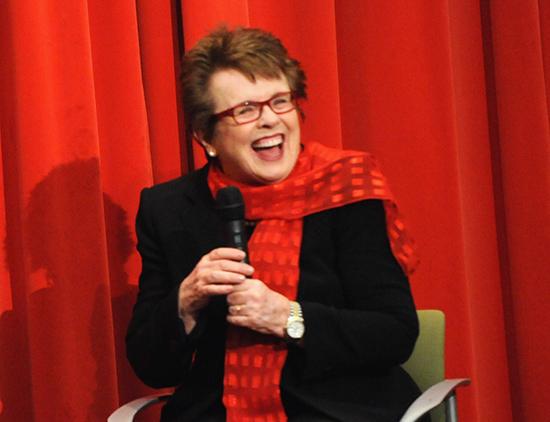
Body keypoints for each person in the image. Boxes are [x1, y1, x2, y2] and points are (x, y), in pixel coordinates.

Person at [126, 26, 423, 422]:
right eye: (246, 110)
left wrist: (288, 317)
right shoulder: (169, 209)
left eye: (280, 102)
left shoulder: (347, 190)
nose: (270, 121)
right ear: (206, 136)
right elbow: (153, 366)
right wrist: (186, 301)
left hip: (339, 409)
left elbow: (394, 333)